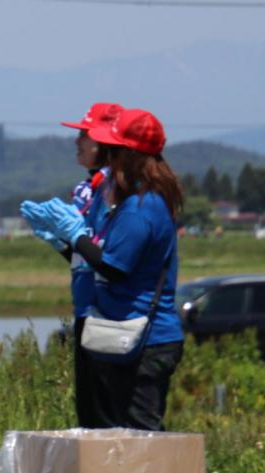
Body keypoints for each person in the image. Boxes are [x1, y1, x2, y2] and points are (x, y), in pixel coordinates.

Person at [23, 108, 184, 431]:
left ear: (128, 154)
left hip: (144, 339)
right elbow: (97, 261)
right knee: (107, 431)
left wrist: (75, 235)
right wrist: (65, 244)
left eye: (112, 147)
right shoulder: (126, 201)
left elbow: (114, 268)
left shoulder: (141, 206)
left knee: (139, 434)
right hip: (119, 331)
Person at [25, 102, 123, 428]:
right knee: (89, 415)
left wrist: (74, 237)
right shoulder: (90, 188)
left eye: (85, 134)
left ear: (106, 142)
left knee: (107, 417)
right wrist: (60, 243)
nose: (77, 142)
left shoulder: (114, 189)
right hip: (85, 309)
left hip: (107, 313)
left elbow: (110, 259)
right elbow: (86, 258)